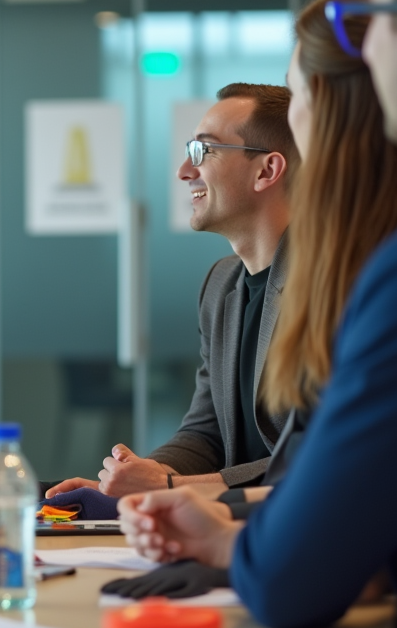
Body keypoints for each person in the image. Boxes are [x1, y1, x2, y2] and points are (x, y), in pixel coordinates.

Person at [118, 0, 397, 628]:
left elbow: (298, 572)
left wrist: (227, 527)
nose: (360, 50)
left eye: (371, 19)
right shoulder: (233, 283)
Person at [47, 84, 298, 498]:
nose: (184, 170)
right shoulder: (221, 285)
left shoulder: (333, 288)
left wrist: (169, 486)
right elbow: (206, 434)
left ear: (267, 171)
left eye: (205, 151)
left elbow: (316, 458)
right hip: (226, 524)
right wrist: (140, 477)